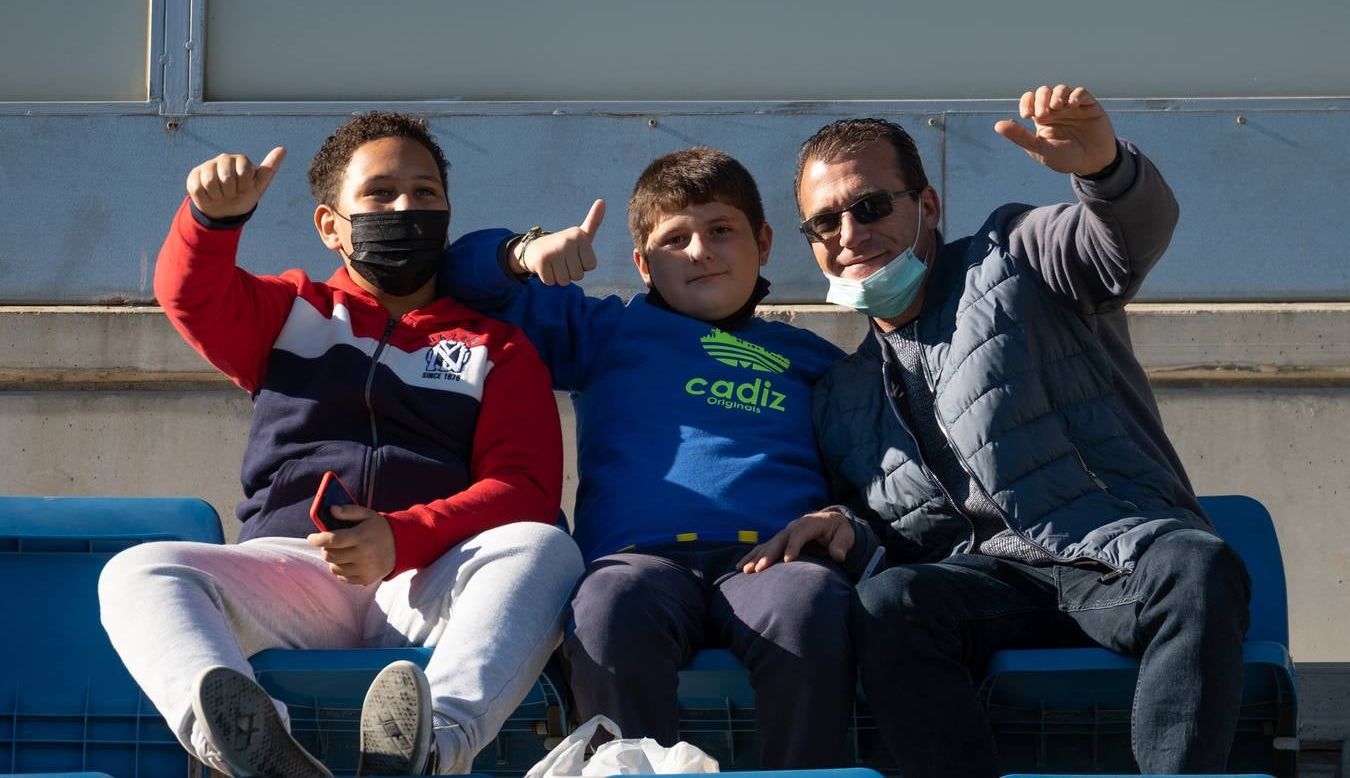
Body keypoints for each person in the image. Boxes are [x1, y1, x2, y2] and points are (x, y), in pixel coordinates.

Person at [741, 85, 1251, 777]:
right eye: (824, 223)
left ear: (926, 206)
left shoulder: (1015, 253)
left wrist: (1105, 171)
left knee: (1196, 564)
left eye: (870, 206)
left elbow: (1120, 242)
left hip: (1113, 553)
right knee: (891, 604)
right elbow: (893, 536)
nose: (849, 235)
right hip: (989, 585)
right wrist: (844, 525)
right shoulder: (840, 393)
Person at [99, 112, 584, 777]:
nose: (406, 207)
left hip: (425, 581)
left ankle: (429, 747)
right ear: (331, 225)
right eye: (380, 194)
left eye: (425, 193)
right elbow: (191, 296)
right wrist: (210, 222)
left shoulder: (498, 347)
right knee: (138, 571)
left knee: (546, 547)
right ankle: (250, 748)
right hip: (294, 571)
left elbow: (523, 491)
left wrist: (401, 537)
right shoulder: (291, 309)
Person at [438, 147, 871, 768]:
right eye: (676, 238)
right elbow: (458, 285)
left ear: (765, 241)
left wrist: (839, 517)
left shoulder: (815, 359)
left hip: (771, 562)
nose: (701, 250)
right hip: (636, 562)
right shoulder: (604, 331)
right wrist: (522, 253)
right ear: (642, 263)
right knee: (607, 610)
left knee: (810, 604)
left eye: (722, 230)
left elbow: (866, 475)